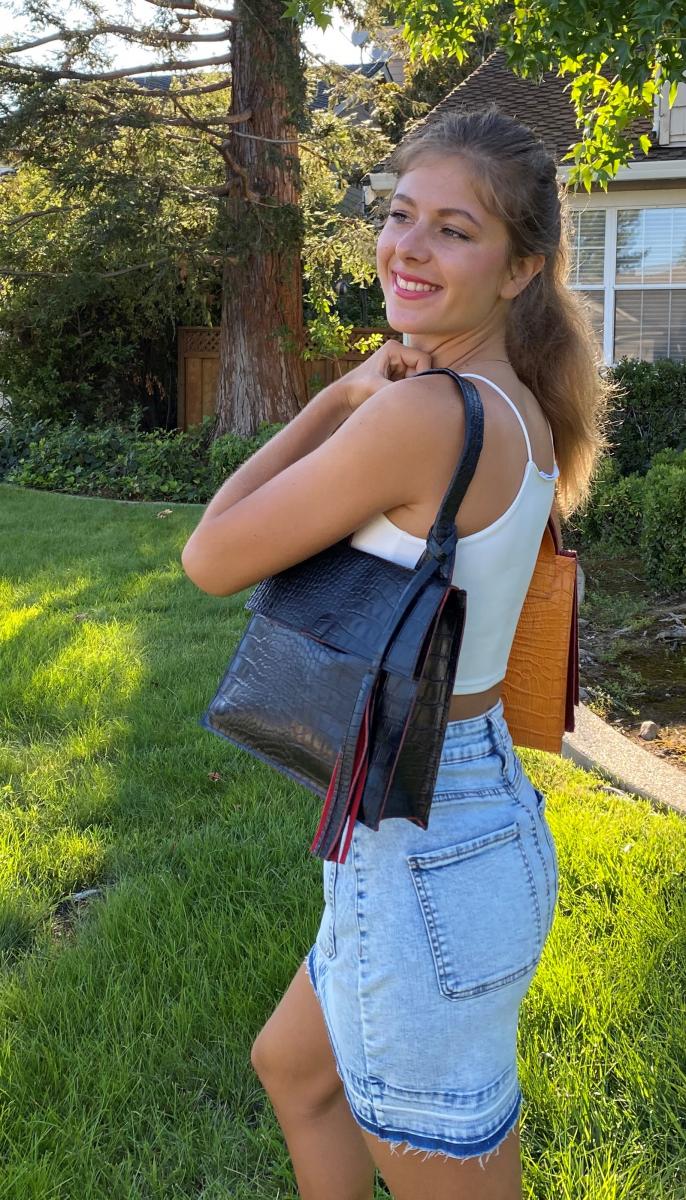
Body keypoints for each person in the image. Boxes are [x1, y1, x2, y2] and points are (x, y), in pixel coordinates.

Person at [181, 105, 612, 1200]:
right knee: (295, 1070)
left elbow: (212, 553)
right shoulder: (511, 400)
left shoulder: (419, 412)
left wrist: (336, 397)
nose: (406, 248)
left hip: (418, 841)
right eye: (399, 214)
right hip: (456, 810)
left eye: (452, 230)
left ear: (519, 268)